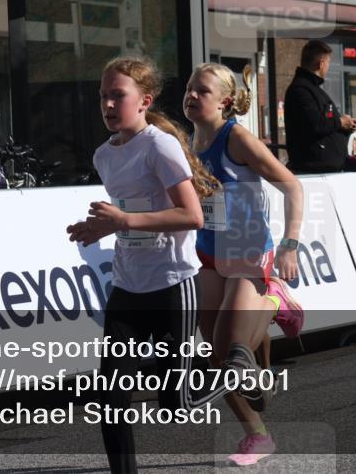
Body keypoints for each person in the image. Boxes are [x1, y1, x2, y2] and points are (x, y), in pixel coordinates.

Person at [67, 57, 260, 474]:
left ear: (144, 101)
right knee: (110, 398)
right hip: (127, 288)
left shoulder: (160, 144)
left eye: (118, 95)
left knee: (177, 406)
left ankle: (233, 371)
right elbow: (128, 212)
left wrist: (125, 221)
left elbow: (191, 215)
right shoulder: (104, 154)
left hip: (172, 285)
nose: (108, 104)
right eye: (103, 95)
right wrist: (100, 228)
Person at [184, 62, 305, 467]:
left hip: (248, 252)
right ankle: (258, 435)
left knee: (232, 351)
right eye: (190, 88)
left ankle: (273, 300)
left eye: (203, 90)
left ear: (226, 101)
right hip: (208, 254)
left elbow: (292, 184)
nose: (192, 95)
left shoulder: (236, 138)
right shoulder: (189, 139)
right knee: (218, 357)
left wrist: (290, 244)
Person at [284, 41, 356, 173]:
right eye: (328, 63)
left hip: (326, 168)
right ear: (321, 64)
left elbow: (327, 118)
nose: (328, 67)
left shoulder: (314, 90)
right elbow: (315, 124)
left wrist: (345, 125)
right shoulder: (301, 90)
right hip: (313, 171)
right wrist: (340, 122)